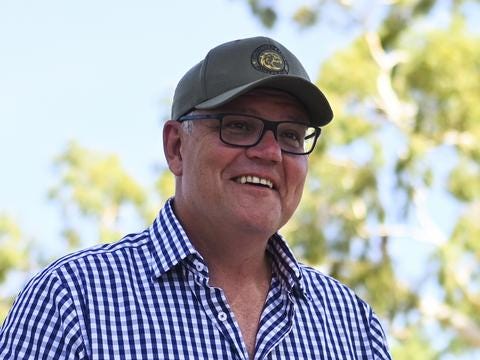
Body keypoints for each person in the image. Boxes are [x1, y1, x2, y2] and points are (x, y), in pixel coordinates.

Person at [0, 36, 391, 359]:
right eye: (239, 126)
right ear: (176, 147)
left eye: (290, 135)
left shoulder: (352, 326)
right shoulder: (72, 301)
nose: (271, 152)